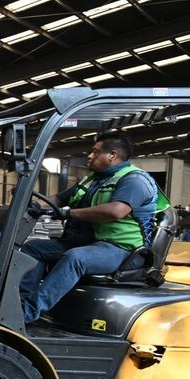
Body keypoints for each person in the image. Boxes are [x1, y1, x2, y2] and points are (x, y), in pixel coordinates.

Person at [19, 131, 167, 324]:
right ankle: (18, 304)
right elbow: (57, 199)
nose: (89, 155)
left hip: (123, 250)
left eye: (95, 152)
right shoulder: (92, 179)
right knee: (32, 248)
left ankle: (27, 313)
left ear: (112, 155)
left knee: (75, 258)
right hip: (91, 243)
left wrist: (68, 213)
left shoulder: (134, 180)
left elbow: (116, 211)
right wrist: (31, 203)